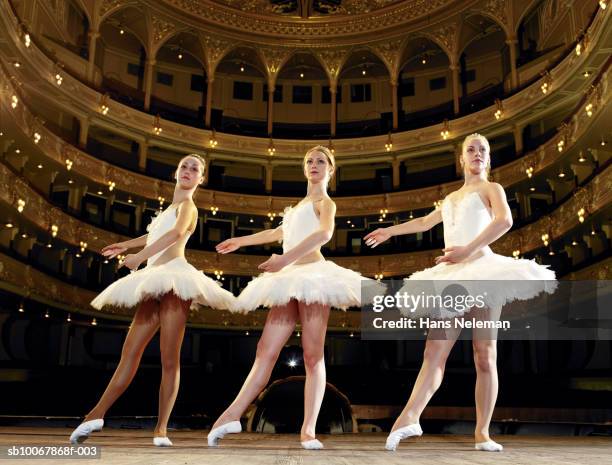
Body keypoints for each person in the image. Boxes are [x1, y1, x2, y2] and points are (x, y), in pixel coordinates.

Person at [364, 133, 556, 452]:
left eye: (483, 149)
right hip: (452, 275)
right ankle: (409, 417)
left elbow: (504, 221)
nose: (477, 153)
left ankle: (482, 433)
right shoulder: (451, 197)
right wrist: (389, 231)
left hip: (482, 271)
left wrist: (467, 250)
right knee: (434, 353)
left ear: (488, 158)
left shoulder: (491, 189)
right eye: (471, 149)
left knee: (485, 354)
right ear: (462, 159)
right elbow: (426, 222)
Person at [207, 145, 382, 449]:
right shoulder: (300, 205)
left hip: (313, 277)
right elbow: (279, 231)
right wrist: (241, 239)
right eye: (309, 161)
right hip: (289, 279)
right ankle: (231, 415)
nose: (314, 165)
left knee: (312, 354)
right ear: (304, 169)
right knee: (265, 349)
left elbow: (324, 234)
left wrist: (285, 259)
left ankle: (309, 430)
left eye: (321, 161)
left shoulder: (324, 202)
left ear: (331, 169)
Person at [69, 154, 235, 447]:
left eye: (194, 168)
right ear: (175, 172)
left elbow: (174, 234)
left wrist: (138, 258)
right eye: (183, 165)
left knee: (169, 358)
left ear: (201, 179)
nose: (188, 170)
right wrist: (127, 244)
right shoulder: (169, 208)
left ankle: (161, 429)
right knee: (129, 352)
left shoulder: (187, 206)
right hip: (154, 278)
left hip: (173, 282)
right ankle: (95, 415)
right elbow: (154, 234)